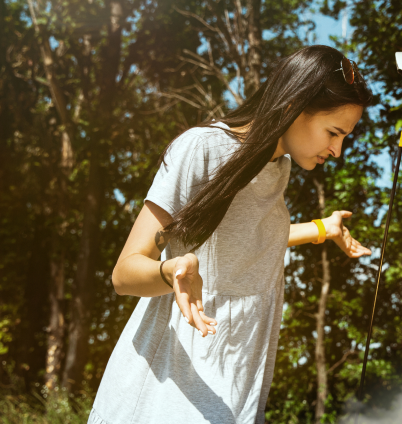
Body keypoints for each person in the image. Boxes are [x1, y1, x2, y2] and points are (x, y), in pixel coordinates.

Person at [88, 45, 374, 424]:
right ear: (292, 107)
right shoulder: (201, 148)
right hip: (169, 390)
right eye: (333, 132)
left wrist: (323, 229)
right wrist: (171, 270)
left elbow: (245, 241)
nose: (337, 150)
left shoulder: (278, 168)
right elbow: (124, 273)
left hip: (237, 383)